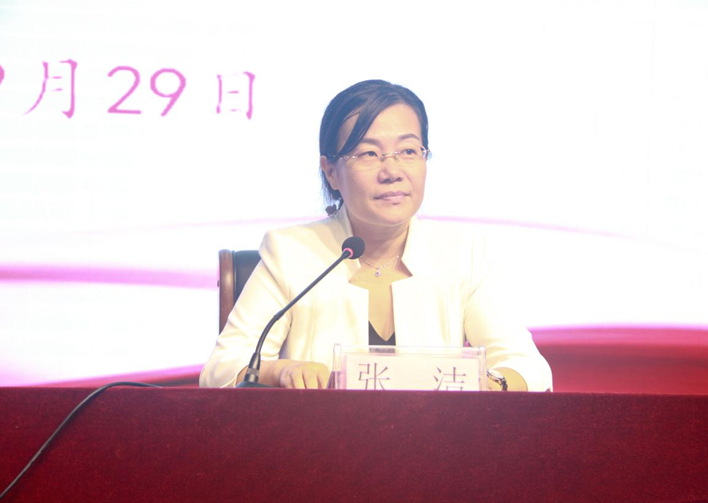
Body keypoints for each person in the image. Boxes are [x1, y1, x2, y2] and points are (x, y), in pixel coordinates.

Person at [200, 79, 552, 391]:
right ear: (331, 171)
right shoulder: (291, 253)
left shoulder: (462, 253)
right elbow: (221, 370)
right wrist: (280, 371)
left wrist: (490, 384)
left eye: (409, 151)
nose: (392, 171)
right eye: (369, 153)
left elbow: (530, 368)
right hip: (319, 442)